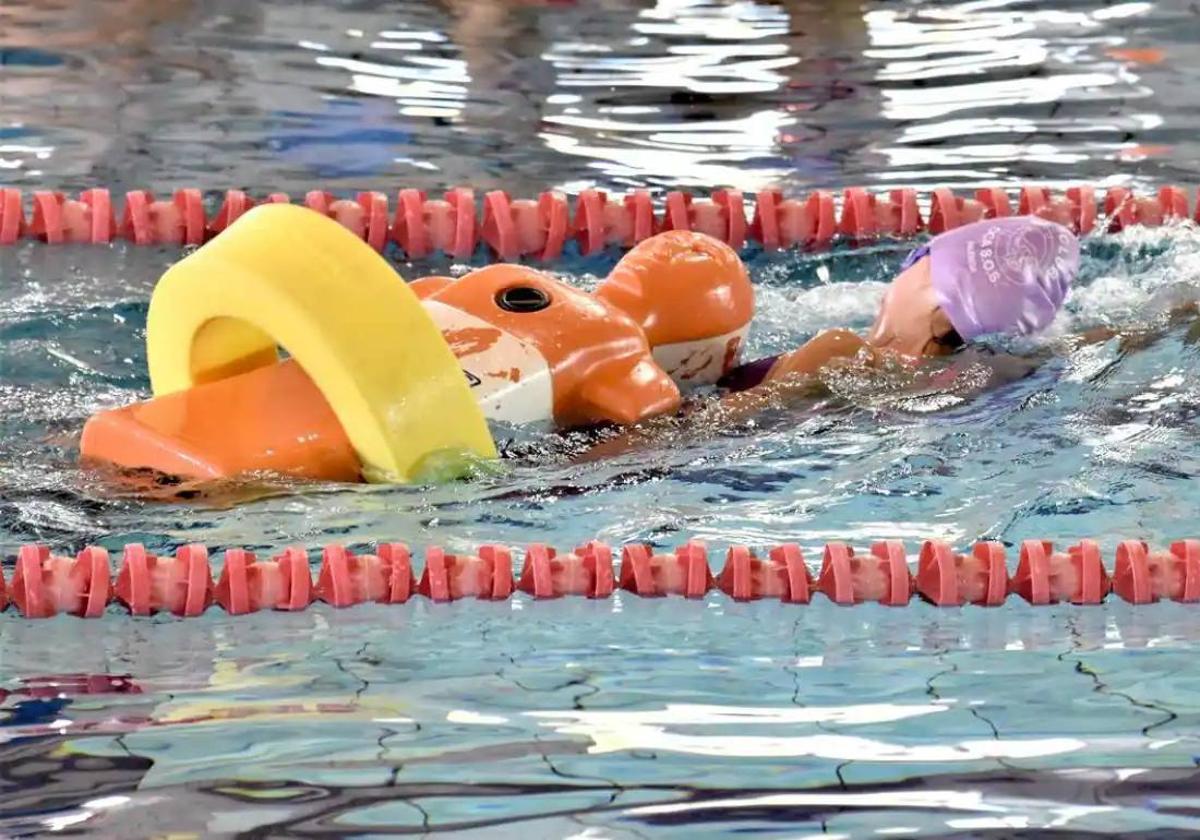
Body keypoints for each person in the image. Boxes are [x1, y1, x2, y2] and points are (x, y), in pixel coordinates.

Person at [581, 216, 1081, 458]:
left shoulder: (837, 353)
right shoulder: (975, 377)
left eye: (919, 260)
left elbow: (684, 436)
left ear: (930, 286)